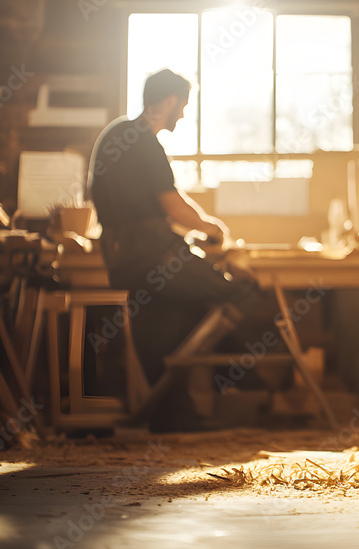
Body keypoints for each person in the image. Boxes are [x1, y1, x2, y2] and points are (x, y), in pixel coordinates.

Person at [87, 69, 254, 426]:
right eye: (182, 106)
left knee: (169, 319)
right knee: (239, 290)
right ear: (167, 102)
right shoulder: (145, 142)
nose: (182, 114)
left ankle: (173, 413)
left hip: (124, 257)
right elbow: (173, 206)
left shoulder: (118, 134)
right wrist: (214, 228)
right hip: (153, 255)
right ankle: (259, 389)